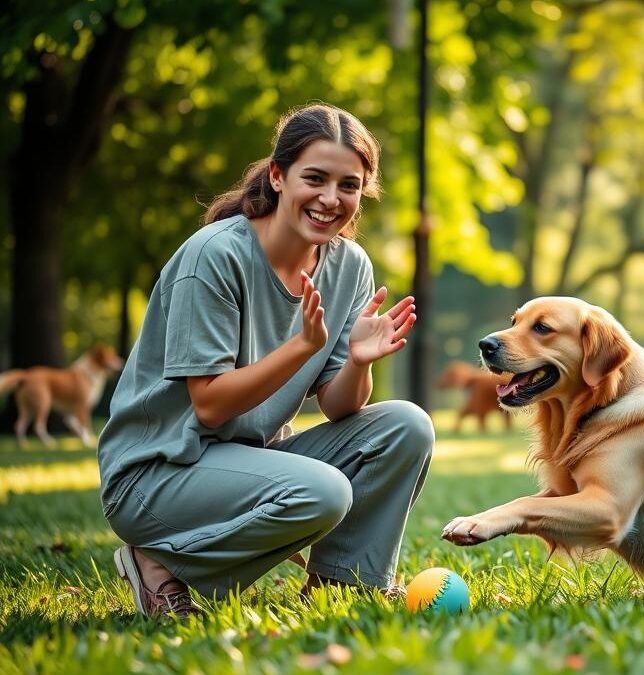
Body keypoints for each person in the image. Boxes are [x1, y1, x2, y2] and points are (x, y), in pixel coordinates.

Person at [97, 103, 434, 619]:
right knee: (323, 493)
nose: (330, 199)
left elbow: (339, 406)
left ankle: (341, 584)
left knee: (407, 426)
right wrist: (302, 346)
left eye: (348, 185)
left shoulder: (349, 266)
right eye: (314, 179)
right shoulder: (215, 256)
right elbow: (210, 406)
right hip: (157, 475)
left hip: (248, 460)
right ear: (278, 176)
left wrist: (359, 362)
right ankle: (159, 562)